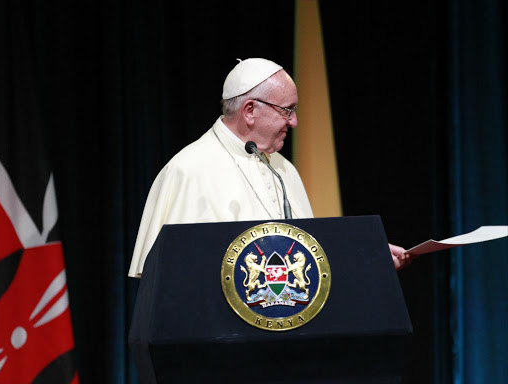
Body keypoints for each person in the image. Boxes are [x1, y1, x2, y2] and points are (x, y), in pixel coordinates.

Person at [128, 58, 411, 278]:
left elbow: (307, 256)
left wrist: (367, 257)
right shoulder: (188, 170)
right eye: (287, 110)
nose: (294, 122)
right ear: (250, 110)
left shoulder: (283, 169)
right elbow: (170, 278)